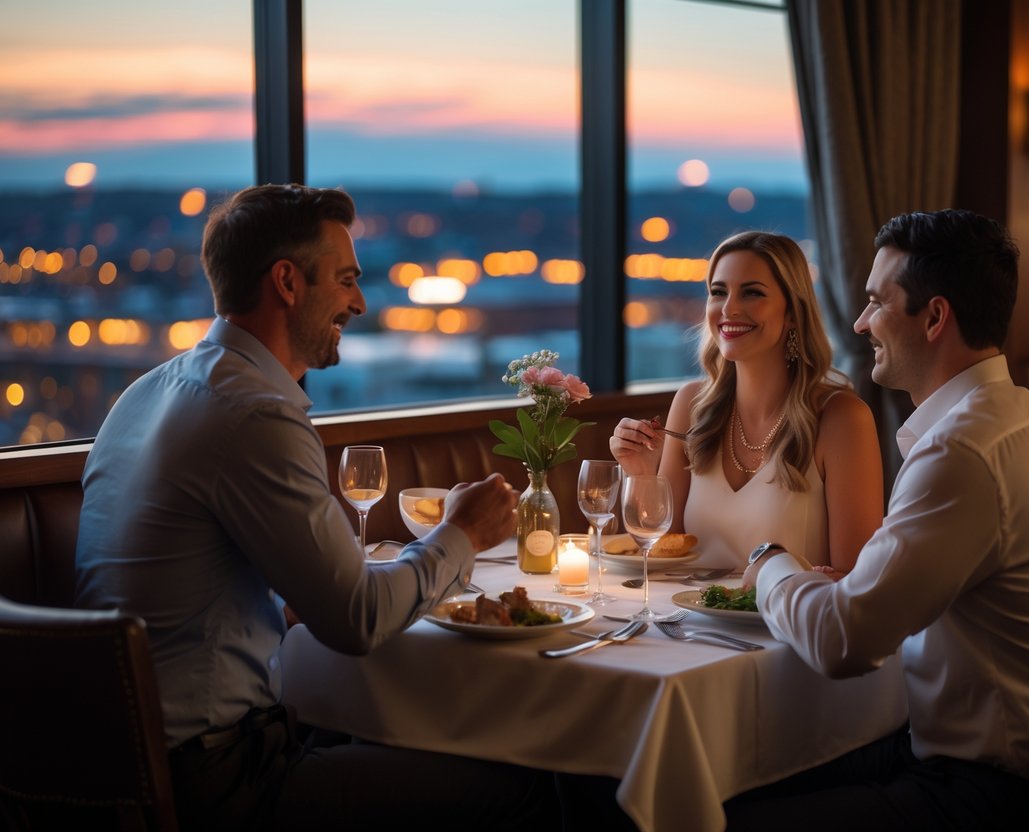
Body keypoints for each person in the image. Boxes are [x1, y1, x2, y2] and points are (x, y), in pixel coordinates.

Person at [75, 184, 556, 830]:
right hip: (214, 787)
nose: (358, 303)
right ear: (286, 282)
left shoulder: (145, 394)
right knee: (528, 778)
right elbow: (356, 621)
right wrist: (460, 532)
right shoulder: (255, 415)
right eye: (346, 280)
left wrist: (285, 601)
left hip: (110, 770)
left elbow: (193, 588)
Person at [730, 209, 1029, 830]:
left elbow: (842, 642)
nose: (860, 323)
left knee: (715, 813)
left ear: (935, 317)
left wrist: (769, 562)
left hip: (998, 795)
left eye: (874, 304)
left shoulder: (963, 452)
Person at [609, 231, 883, 573]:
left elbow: (858, 583)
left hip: (786, 626)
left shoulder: (842, 418)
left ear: (793, 313)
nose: (729, 308)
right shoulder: (691, 405)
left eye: (752, 293)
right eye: (718, 292)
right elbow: (660, 555)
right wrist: (642, 474)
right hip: (688, 623)